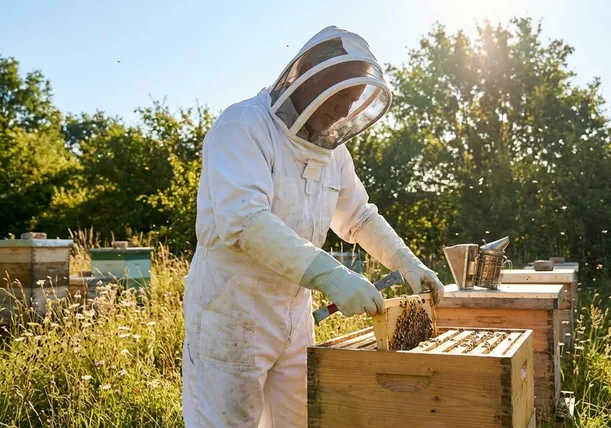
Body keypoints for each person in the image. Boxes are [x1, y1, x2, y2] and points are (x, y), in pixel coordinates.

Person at [181, 26, 445, 427]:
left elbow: (358, 217)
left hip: (294, 313)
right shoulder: (243, 127)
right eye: (340, 96)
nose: (343, 111)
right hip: (231, 310)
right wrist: (331, 275)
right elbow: (245, 222)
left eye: (352, 101)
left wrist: (407, 262)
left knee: (299, 420)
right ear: (307, 76)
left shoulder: (333, 152)